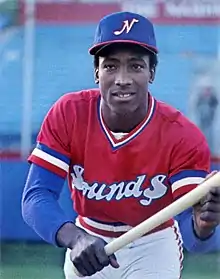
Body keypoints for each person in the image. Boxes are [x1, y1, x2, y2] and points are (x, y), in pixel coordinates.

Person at [21, 11, 220, 279]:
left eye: (136, 66)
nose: (122, 79)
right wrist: (75, 238)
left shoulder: (182, 135)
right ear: (96, 72)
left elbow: (193, 238)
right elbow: (36, 196)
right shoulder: (69, 113)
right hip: (88, 238)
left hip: (153, 245)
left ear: (152, 72)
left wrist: (203, 225)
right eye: (110, 66)